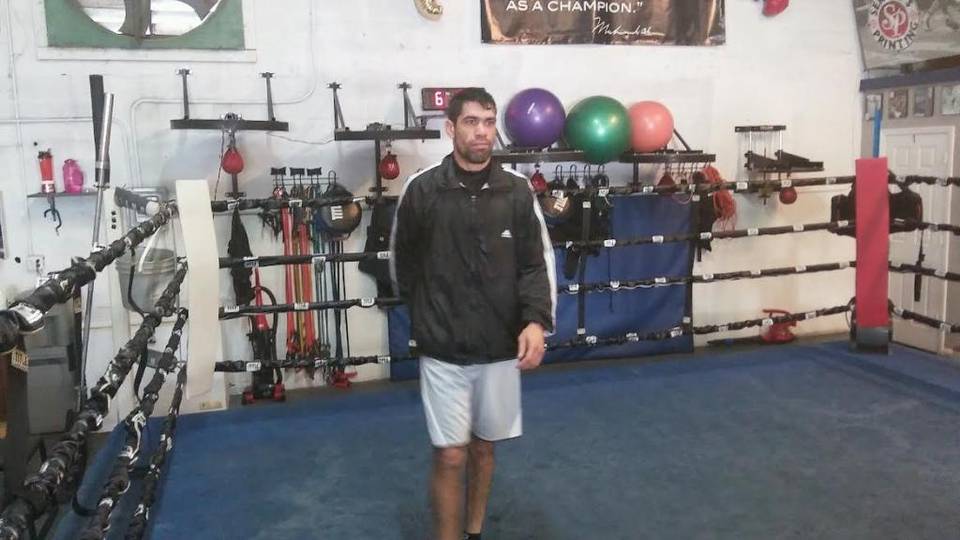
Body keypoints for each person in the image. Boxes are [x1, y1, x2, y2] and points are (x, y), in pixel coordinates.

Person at [390, 88, 557, 540]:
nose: (482, 132)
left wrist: (535, 321)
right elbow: (402, 265)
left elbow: (535, 263)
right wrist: (428, 316)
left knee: (484, 447)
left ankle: (474, 531)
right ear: (451, 128)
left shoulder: (517, 191)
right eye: (471, 122)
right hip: (443, 345)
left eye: (488, 121)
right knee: (450, 454)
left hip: (500, 344)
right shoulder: (423, 190)